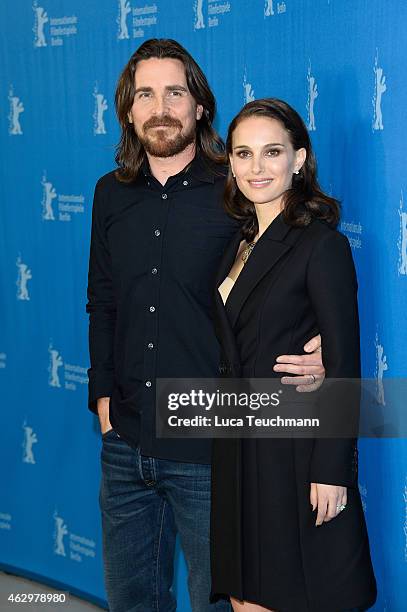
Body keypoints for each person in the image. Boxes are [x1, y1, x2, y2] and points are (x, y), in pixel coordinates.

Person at [86, 40, 324, 612]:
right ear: (128, 109)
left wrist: (322, 352)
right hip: (126, 441)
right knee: (130, 601)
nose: (161, 106)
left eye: (176, 91)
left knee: (218, 602)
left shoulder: (236, 187)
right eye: (146, 94)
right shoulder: (109, 194)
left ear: (199, 106)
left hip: (210, 445)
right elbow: (103, 298)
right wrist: (102, 397)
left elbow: (299, 272)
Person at [210, 99, 377, 612]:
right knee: (245, 597)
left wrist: (332, 469)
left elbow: (344, 363)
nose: (256, 168)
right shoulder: (237, 243)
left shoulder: (320, 245)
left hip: (295, 452)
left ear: (299, 159)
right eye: (244, 153)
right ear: (231, 163)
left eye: (272, 152)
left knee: (296, 594)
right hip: (238, 449)